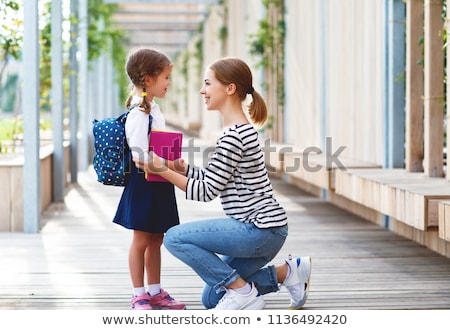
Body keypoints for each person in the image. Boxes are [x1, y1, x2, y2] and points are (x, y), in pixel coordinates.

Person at [134, 57, 312, 310]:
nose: (202, 90)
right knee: (212, 298)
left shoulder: (234, 136)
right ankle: (287, 273)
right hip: (267, 230)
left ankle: (242, 291)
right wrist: (185, 170)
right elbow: (215, 179)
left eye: (207, 84)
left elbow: (206, 192)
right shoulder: (239, 131)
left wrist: (160, 169)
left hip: (258, 230)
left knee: (174, 238)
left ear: (230, 88)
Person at [112, 47, 185, 310]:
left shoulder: (153, 109)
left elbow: (155, 149)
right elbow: (140, 156)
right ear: (148, 79)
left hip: (158, 181)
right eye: (166, 77)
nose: (168, 83)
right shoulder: (138, 113)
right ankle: (138, 294)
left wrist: (173, 163)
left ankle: (155, 291)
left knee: (157, 238)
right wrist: (170, 164)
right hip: (144, 182)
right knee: (141, 240)